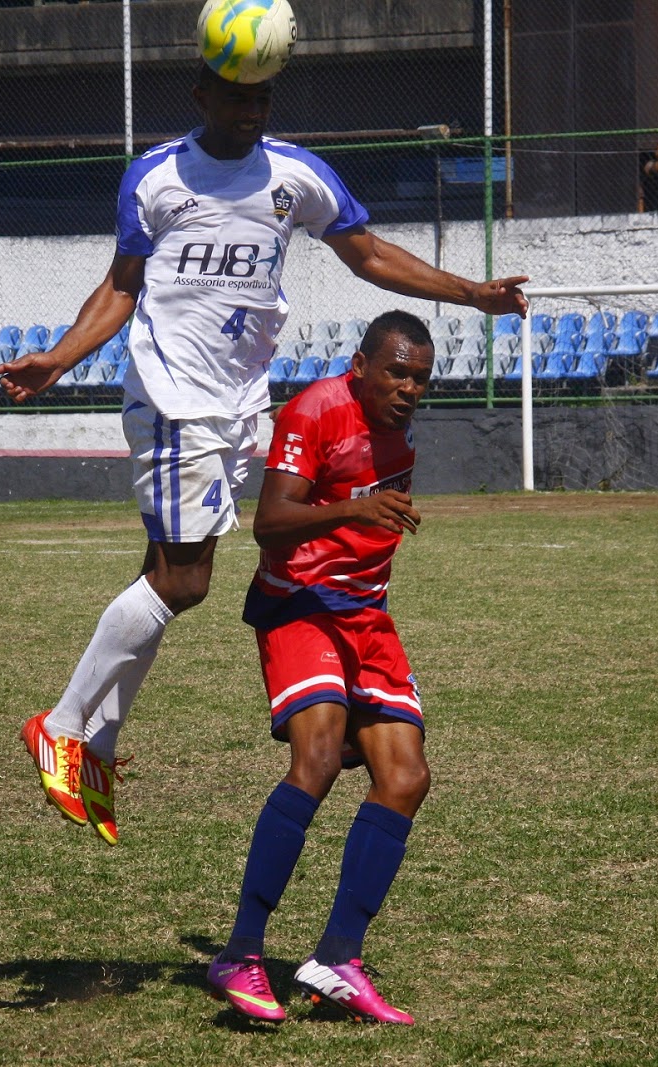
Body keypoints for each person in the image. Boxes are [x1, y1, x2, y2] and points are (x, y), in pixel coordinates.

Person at [0, 65, 528, 847]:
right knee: (183, 579)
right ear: (201, 97)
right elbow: (120, 286)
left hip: (243, 405)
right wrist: (59, 359)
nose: (251, 111)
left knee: (166, 573)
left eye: (262, 98)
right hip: (178, 400)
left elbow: (368, 253)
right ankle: (64, 724)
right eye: (237, 97)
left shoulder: (295, 175)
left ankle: (95, 749)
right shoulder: (155, 179)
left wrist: (471, 293)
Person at [205, 310, 433, 1026]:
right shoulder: (313, 410)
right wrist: (353, 509)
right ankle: (240, 951)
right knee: (321, 756)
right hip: (298, 602)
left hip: (365, 614)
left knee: (405, 775)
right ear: (359, 364)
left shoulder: (398, 440)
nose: (408, 388)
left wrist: (363, 517)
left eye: (420, 377)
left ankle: (337, 956)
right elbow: (270, 520)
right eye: (396, 370)